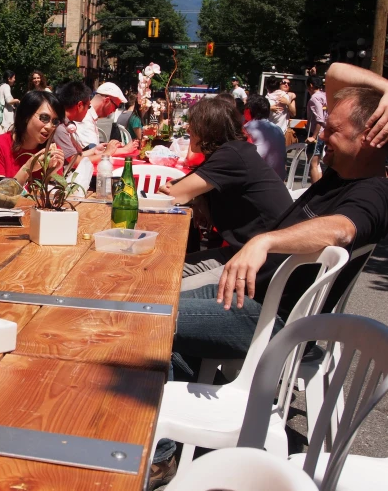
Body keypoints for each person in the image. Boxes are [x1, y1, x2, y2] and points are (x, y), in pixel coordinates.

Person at [173, 63, 388, 370]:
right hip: (249, 295)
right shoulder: (342, 172)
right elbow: (336, 72)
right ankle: (193, 390)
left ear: (370, 136)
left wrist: (264, 241)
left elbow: (341, 229)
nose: (322, 136)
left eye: (333, 130)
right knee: (151, 301)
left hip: (274, 320)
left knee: (148, 320)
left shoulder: (374, 192)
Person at [158, 97, 293, 292]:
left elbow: (174, 193)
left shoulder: (232, 156)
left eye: (193, 126)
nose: (188, 131)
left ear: (208, 130)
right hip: (242, 251)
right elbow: (178, 187)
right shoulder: (232, 152)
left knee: (168, 290)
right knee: (162, 270)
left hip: (264, 264)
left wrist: (191, 195)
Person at [0, 90, 65, 202]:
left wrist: (51, 175)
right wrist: (28, 168)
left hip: (33, 214)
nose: (50, 126)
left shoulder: (52, 151)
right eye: (44, 118)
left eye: (55, 121)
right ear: (26, 116)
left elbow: (52, 199)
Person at [53, 82, 138, 169]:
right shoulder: (60, 127)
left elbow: (77, 155)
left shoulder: (65, 124)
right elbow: (75, 161)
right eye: (88, 107)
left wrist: (95, 150)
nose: (88, 110)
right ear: (79, 105)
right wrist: (107, 153)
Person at [243, 93, 286, 180]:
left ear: (248, 110)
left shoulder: (247, 128)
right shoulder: (277, 129)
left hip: (260, 182)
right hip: (279, 180)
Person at [306, 75, 328, 183]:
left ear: (310, 85)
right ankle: (318, 190)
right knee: (317, 164)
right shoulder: (324, 96)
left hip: (317, 134)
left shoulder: (315, 98)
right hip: (324, 133)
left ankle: (314, 192)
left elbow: (320, 119)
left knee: (313, 164)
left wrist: (313, 136)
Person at [0, 70, 20, 134]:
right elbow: (9, 101)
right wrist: (17, 100)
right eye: (14, 78)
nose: (14, 80)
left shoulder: (1, 86)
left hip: (0, 115)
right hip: (6, 115)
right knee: (5, 134)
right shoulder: (6, 86)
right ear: (9, 78)